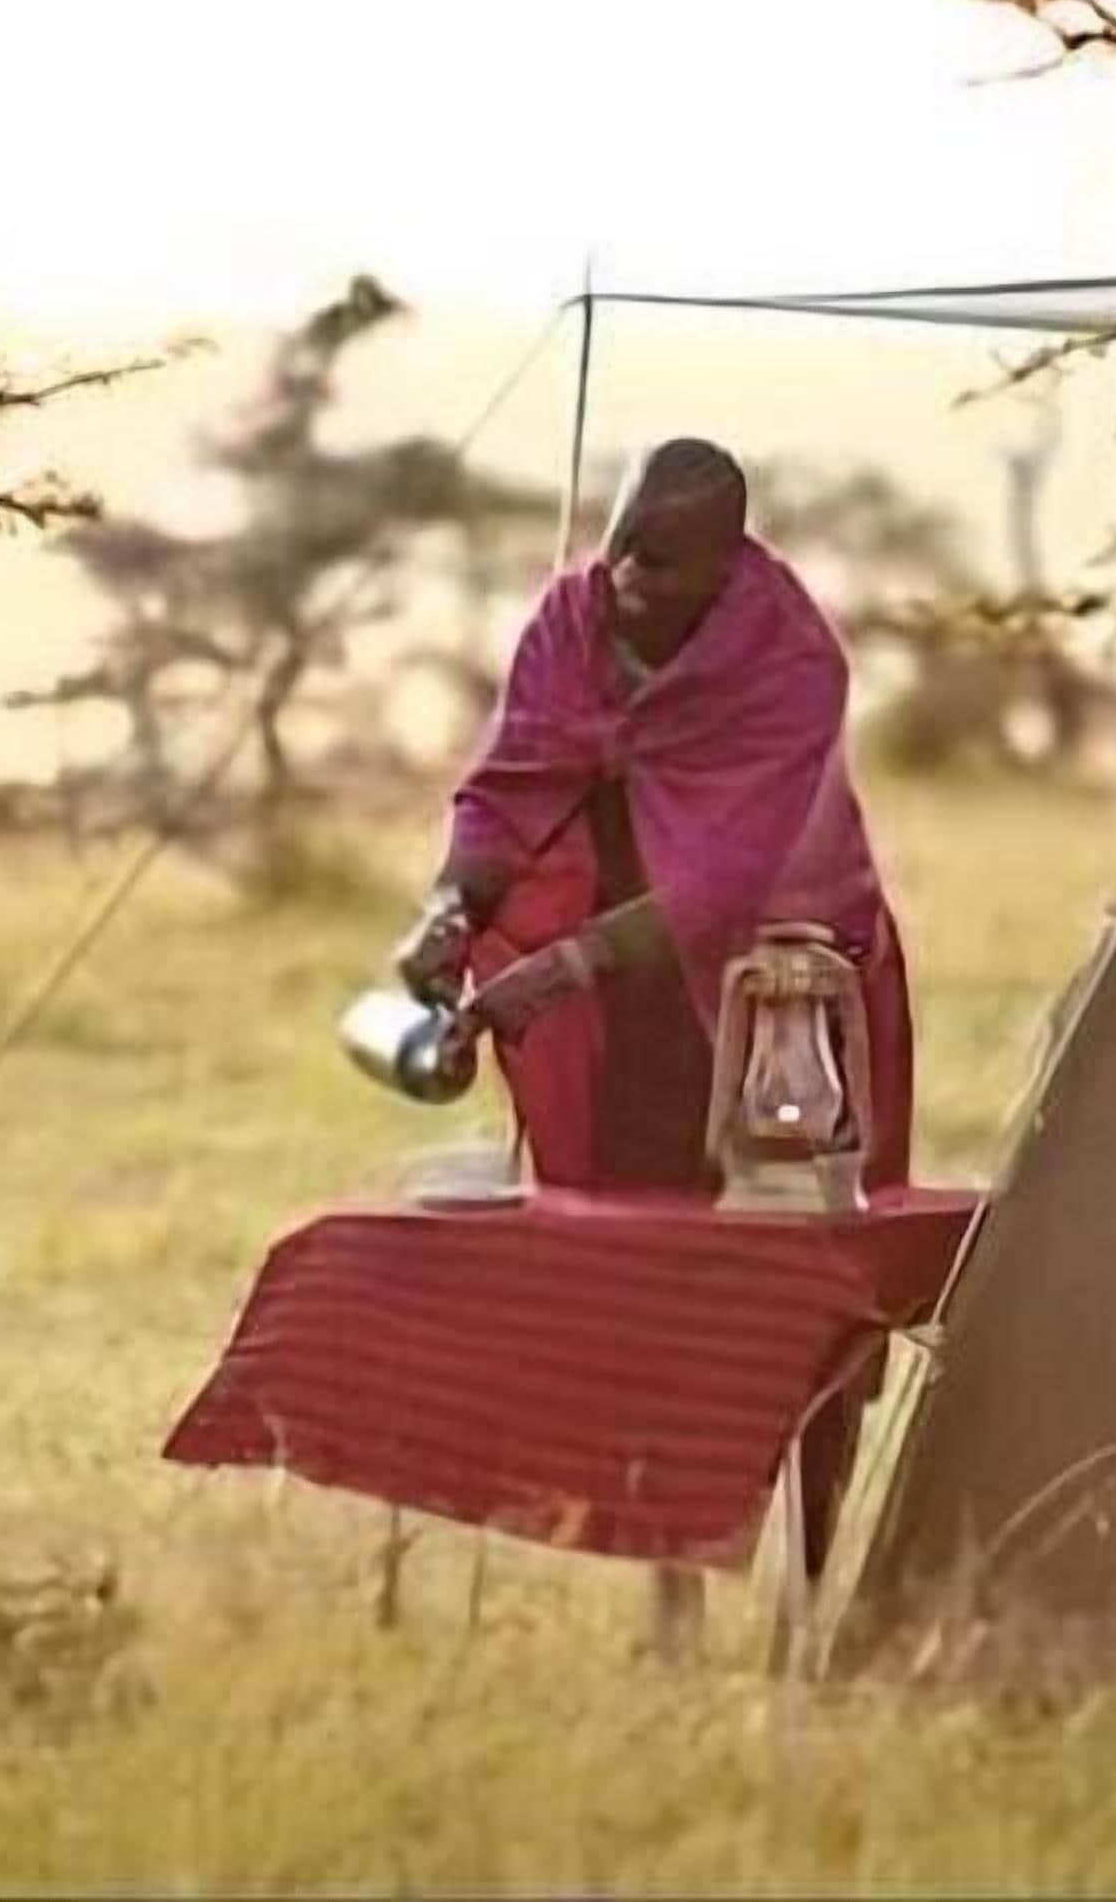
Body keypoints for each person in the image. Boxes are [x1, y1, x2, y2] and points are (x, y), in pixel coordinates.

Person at [389, 437, 914, 1583]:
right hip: (626, 1003)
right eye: (619, 538)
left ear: (725, 562)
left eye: (659, 558)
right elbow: (509, 781)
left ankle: (809, 1580)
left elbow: (725, 883)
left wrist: (552, 969)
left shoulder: (788, 659)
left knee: (789, 1292)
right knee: (643, 1284)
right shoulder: (570, 618)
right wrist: (446, 910)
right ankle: (669, 1565)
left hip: (781, 992)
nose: (622, 570)